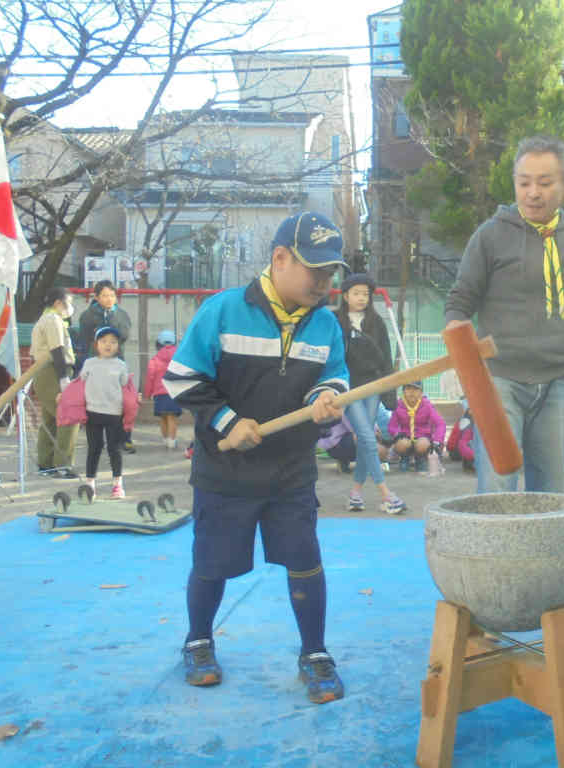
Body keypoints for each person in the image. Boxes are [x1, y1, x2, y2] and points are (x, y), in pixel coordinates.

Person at [163, 211, 349, 704]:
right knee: (212, 563)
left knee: (306, 560)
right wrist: (228, 420)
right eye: (316, 271)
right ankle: (198, 641)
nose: (325, 283)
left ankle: (314, 652)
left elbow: (336, 375)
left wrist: (328, 398)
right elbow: (181, 378)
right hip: (225, 470)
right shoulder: (222, 311)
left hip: (291, 471)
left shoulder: (326, 324)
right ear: (280, 258)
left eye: (331, 273)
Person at [444, 135, 564, 493]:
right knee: (497, 492)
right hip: (499, 383)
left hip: (559, 385)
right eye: (524, 182)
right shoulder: (490, 236)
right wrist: (458, 358)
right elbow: (459, 302)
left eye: (545, 183)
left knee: (550, 494)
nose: (534, 192)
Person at [334, 272, 406, 515]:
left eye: (365, 294)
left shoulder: (377, 322)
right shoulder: (336, 321)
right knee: (366, 435)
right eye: (356, 293)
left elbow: (386, 357)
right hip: (349, 388)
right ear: (345, 296)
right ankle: (386, 494)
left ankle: (355, 493)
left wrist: (389, 392)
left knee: (366, 440)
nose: (362, 298)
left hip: (373, 386)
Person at [77, 280, 135, 453]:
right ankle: (95, 439)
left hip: (117, 363)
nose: (109, 299)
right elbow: (85, 337)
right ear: (96, 297)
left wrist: (110, 322)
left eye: (112, 295)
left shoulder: (121, 314)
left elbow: (124, 335)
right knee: (94, 401)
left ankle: (124, 438)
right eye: (104, 295)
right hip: (96, 363)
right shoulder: (88, 315)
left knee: (122, 400)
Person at [79, 326, 134, 499]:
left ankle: (118, 485)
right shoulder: (89, 363)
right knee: (94, 448)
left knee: (114, 449)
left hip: (114, 413)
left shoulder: (121, 365)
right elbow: (79, 383)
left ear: (118, 346)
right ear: (96, 344)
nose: (108, 345)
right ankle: (90, 485)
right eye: (104, 341)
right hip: (92, 412)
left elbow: (126, 384)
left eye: (113, 342)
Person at [31, 287, 79, 478]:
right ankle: (63, 464)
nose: (71, 306)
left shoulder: (45, 318)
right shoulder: (53, 320)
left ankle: (46, 464)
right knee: (69, 416)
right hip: (53, 371)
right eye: (69, 302)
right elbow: (57, 350)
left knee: (50, 419)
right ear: (58, 302)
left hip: (46, 372)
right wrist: (63, 378)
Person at [388, 381, 445, 472]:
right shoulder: (398, 405)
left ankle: (421, 459)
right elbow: (392, 425)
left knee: (422, 444)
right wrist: (397, 434)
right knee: (401, 443)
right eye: (408, 389)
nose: (411, 392)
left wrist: (437, 441)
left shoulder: (427, 405)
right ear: (403, 392)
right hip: (405, 436)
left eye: (415, 389)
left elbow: (440, 424)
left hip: (423, 437)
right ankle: (404, 458)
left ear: (421, 392)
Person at [144, 330, 182, 449]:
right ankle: (172, 440)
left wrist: (148, 394)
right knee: (172, 418)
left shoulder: (154, 360)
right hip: (174, 392)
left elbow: (150, 377)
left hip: (160, 394)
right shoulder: (179, 358)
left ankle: (165, 440)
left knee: (163, 417)